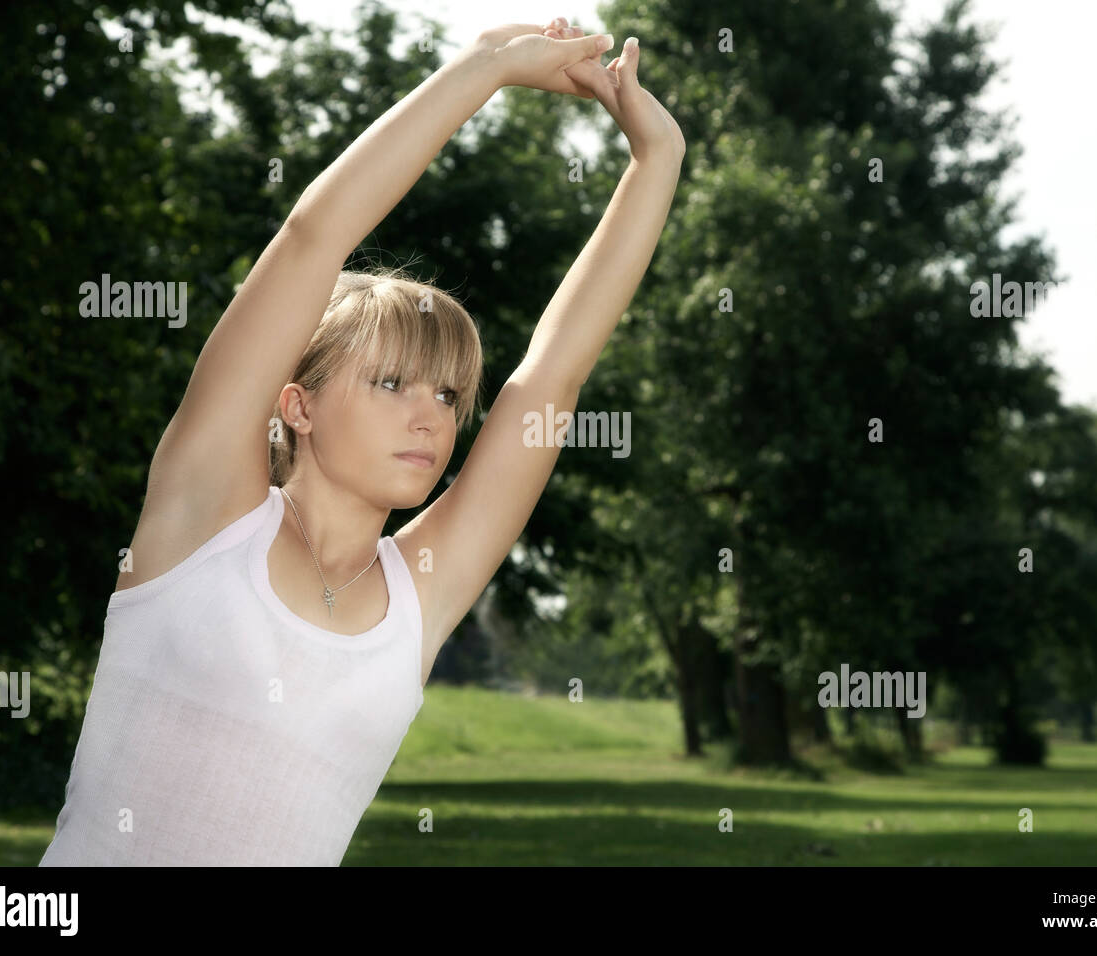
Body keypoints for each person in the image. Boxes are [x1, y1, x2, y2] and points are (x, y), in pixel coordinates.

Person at [40, 16, 684, 866]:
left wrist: (656, 160)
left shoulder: (423, 591)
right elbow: (315, 236)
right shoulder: (206, 517)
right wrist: (482, 71)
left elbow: (552, 376)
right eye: (390, 383)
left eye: (450, 394)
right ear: (296, 406)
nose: (432, 416)